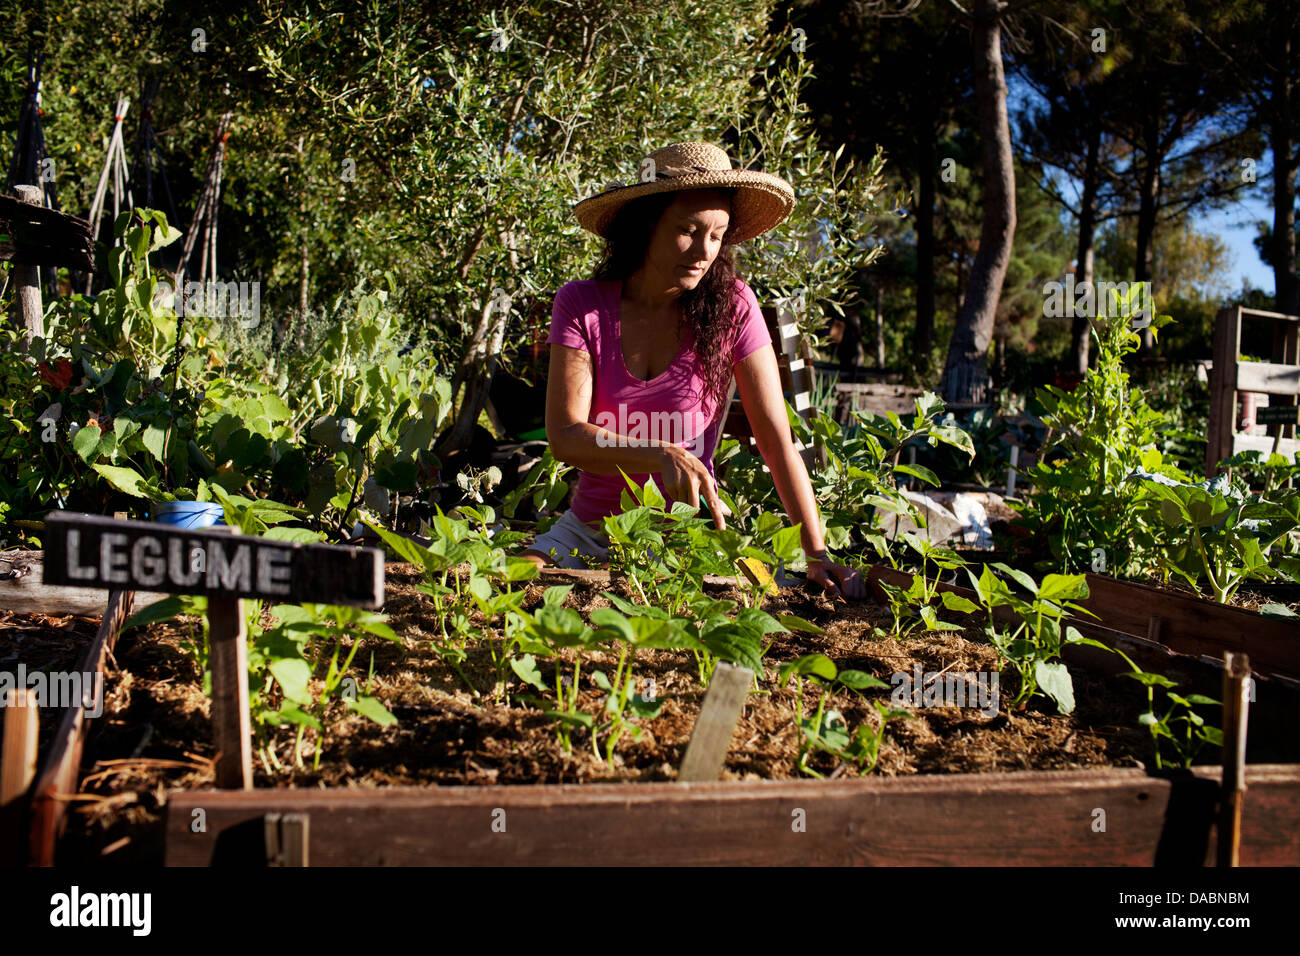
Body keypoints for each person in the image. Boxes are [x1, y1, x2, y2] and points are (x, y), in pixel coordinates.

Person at [519, 142, 866, 600]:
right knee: (502, 578)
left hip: (690, 537)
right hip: (587, 531)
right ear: (646, 224)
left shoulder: (734, 308)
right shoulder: (582, 305)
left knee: (757, 600)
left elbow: (777, 441)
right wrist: (661, 453)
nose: (704, 251)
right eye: (687, 230)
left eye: (717, 235)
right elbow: (565, 435)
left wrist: (816, 552)